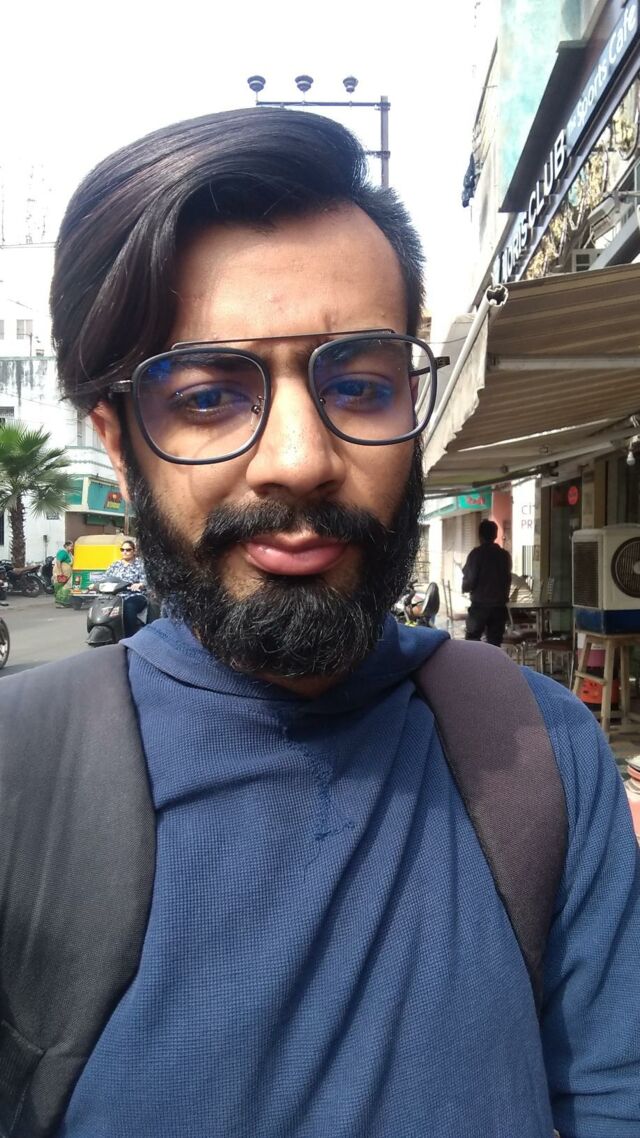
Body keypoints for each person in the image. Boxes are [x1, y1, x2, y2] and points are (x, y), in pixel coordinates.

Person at [0, 108, 639, 1138]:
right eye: (207, 398)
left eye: (358, 385)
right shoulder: (20, 773)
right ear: (118, 445)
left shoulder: (543, 748)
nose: (299, 459)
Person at [461, 519, 512, 646]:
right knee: (495, 645)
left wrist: (465, 587)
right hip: (499, 607)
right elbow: (507, 579)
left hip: (479, 607)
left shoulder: (476, 554)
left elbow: (470, 580)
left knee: (472, 643)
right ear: (495, 535)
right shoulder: (504, 555)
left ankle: (475, 660)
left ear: (480, 536)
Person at [104, 538, 148, 637]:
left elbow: (146, 580)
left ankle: (130, 636)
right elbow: (105, 578)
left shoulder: (140, 564)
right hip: (115, 596)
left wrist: (140, 584)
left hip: (134, 595)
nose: (124, 552)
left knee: (129, 607)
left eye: (128, 550)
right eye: (122, 549)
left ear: (134, 551)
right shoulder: (115, 565)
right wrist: (94, 585)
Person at [53, 539, 74, 607]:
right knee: (61, 586)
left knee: (67, 586)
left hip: (67, 573)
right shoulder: (62, 552)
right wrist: (60, 572)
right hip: (61, 573)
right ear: (66, 546)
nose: (72, 548)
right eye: (71, 546)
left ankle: (65, 602)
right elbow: (58, 561)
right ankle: (61, 602)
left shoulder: (69, 553)